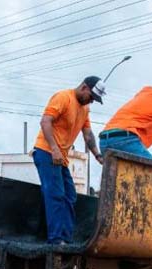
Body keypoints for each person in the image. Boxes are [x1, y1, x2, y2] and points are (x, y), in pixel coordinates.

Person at [33, 76, 105, 244]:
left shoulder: (85, 108)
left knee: (70, 196)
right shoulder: (63, 97)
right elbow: (45, 122)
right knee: (56, 194)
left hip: (61, 158)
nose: (92, 101)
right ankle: (56, 239)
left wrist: (98, 155)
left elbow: (87, 134)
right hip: (46, 152)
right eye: (92, 97)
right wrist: (54, 149)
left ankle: (66, 237)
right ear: (85, 88)